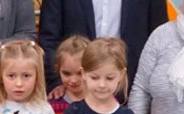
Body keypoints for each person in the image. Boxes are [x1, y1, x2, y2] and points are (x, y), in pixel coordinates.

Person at [38, 0, 168, 94]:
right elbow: (49, 39)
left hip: (129, 93)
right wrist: (57, 82)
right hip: (73, 93)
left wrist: (142, 95)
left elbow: (159, 41)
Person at [48, 35, 90, 114]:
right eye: (67, 73)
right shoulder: (52, 106)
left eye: (80, 73)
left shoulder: (104, 101)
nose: (73, 80)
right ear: (58, 70)